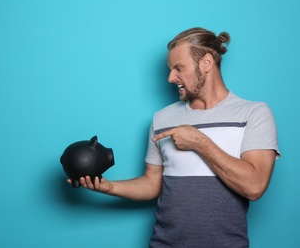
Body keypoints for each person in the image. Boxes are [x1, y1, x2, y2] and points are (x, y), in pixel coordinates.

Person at [68, 27, 280, 247]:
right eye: (170, 69)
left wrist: (199, 142)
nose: (170, 78)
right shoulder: (163, 118)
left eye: (179, 68)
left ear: (206, 62)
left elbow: (254, 186)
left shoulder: (253, 113)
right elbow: (152, 183)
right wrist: (109, 187)